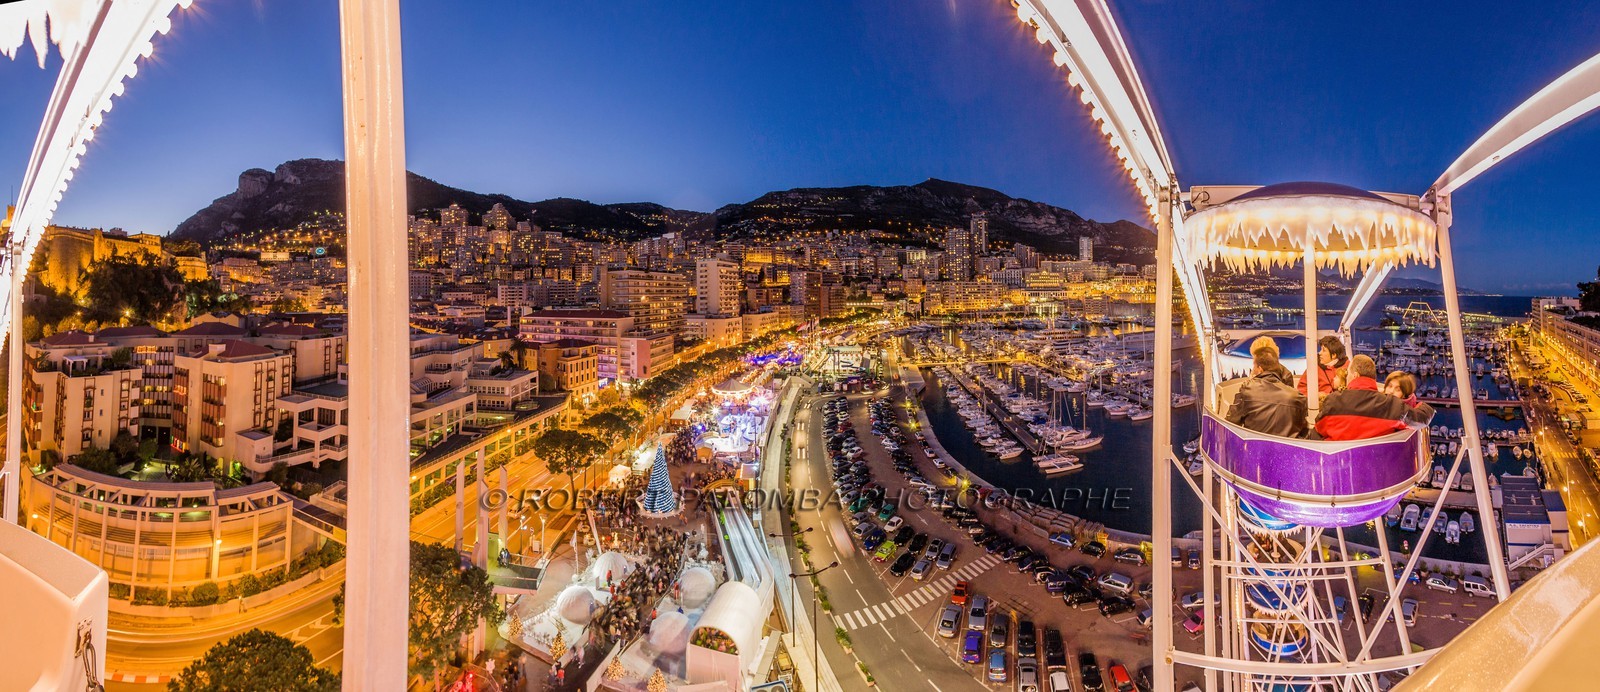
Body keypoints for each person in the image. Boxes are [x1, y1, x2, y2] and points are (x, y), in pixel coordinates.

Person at [1315, 355, 1408, 440]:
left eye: (1348, 374)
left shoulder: (1333, 400)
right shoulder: (1391, 405)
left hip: (1340, 456)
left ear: (1355, 375)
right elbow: (1418, 418)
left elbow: (1320, 427)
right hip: (1377, 456)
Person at [1227, 347, 1309, 438]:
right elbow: (1303, 433)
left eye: (1254, 367)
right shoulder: (1297, 397)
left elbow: (1231, 424)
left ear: (1260, 369)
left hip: (1255, 449)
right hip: (1287, 450)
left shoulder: (1248, 390)